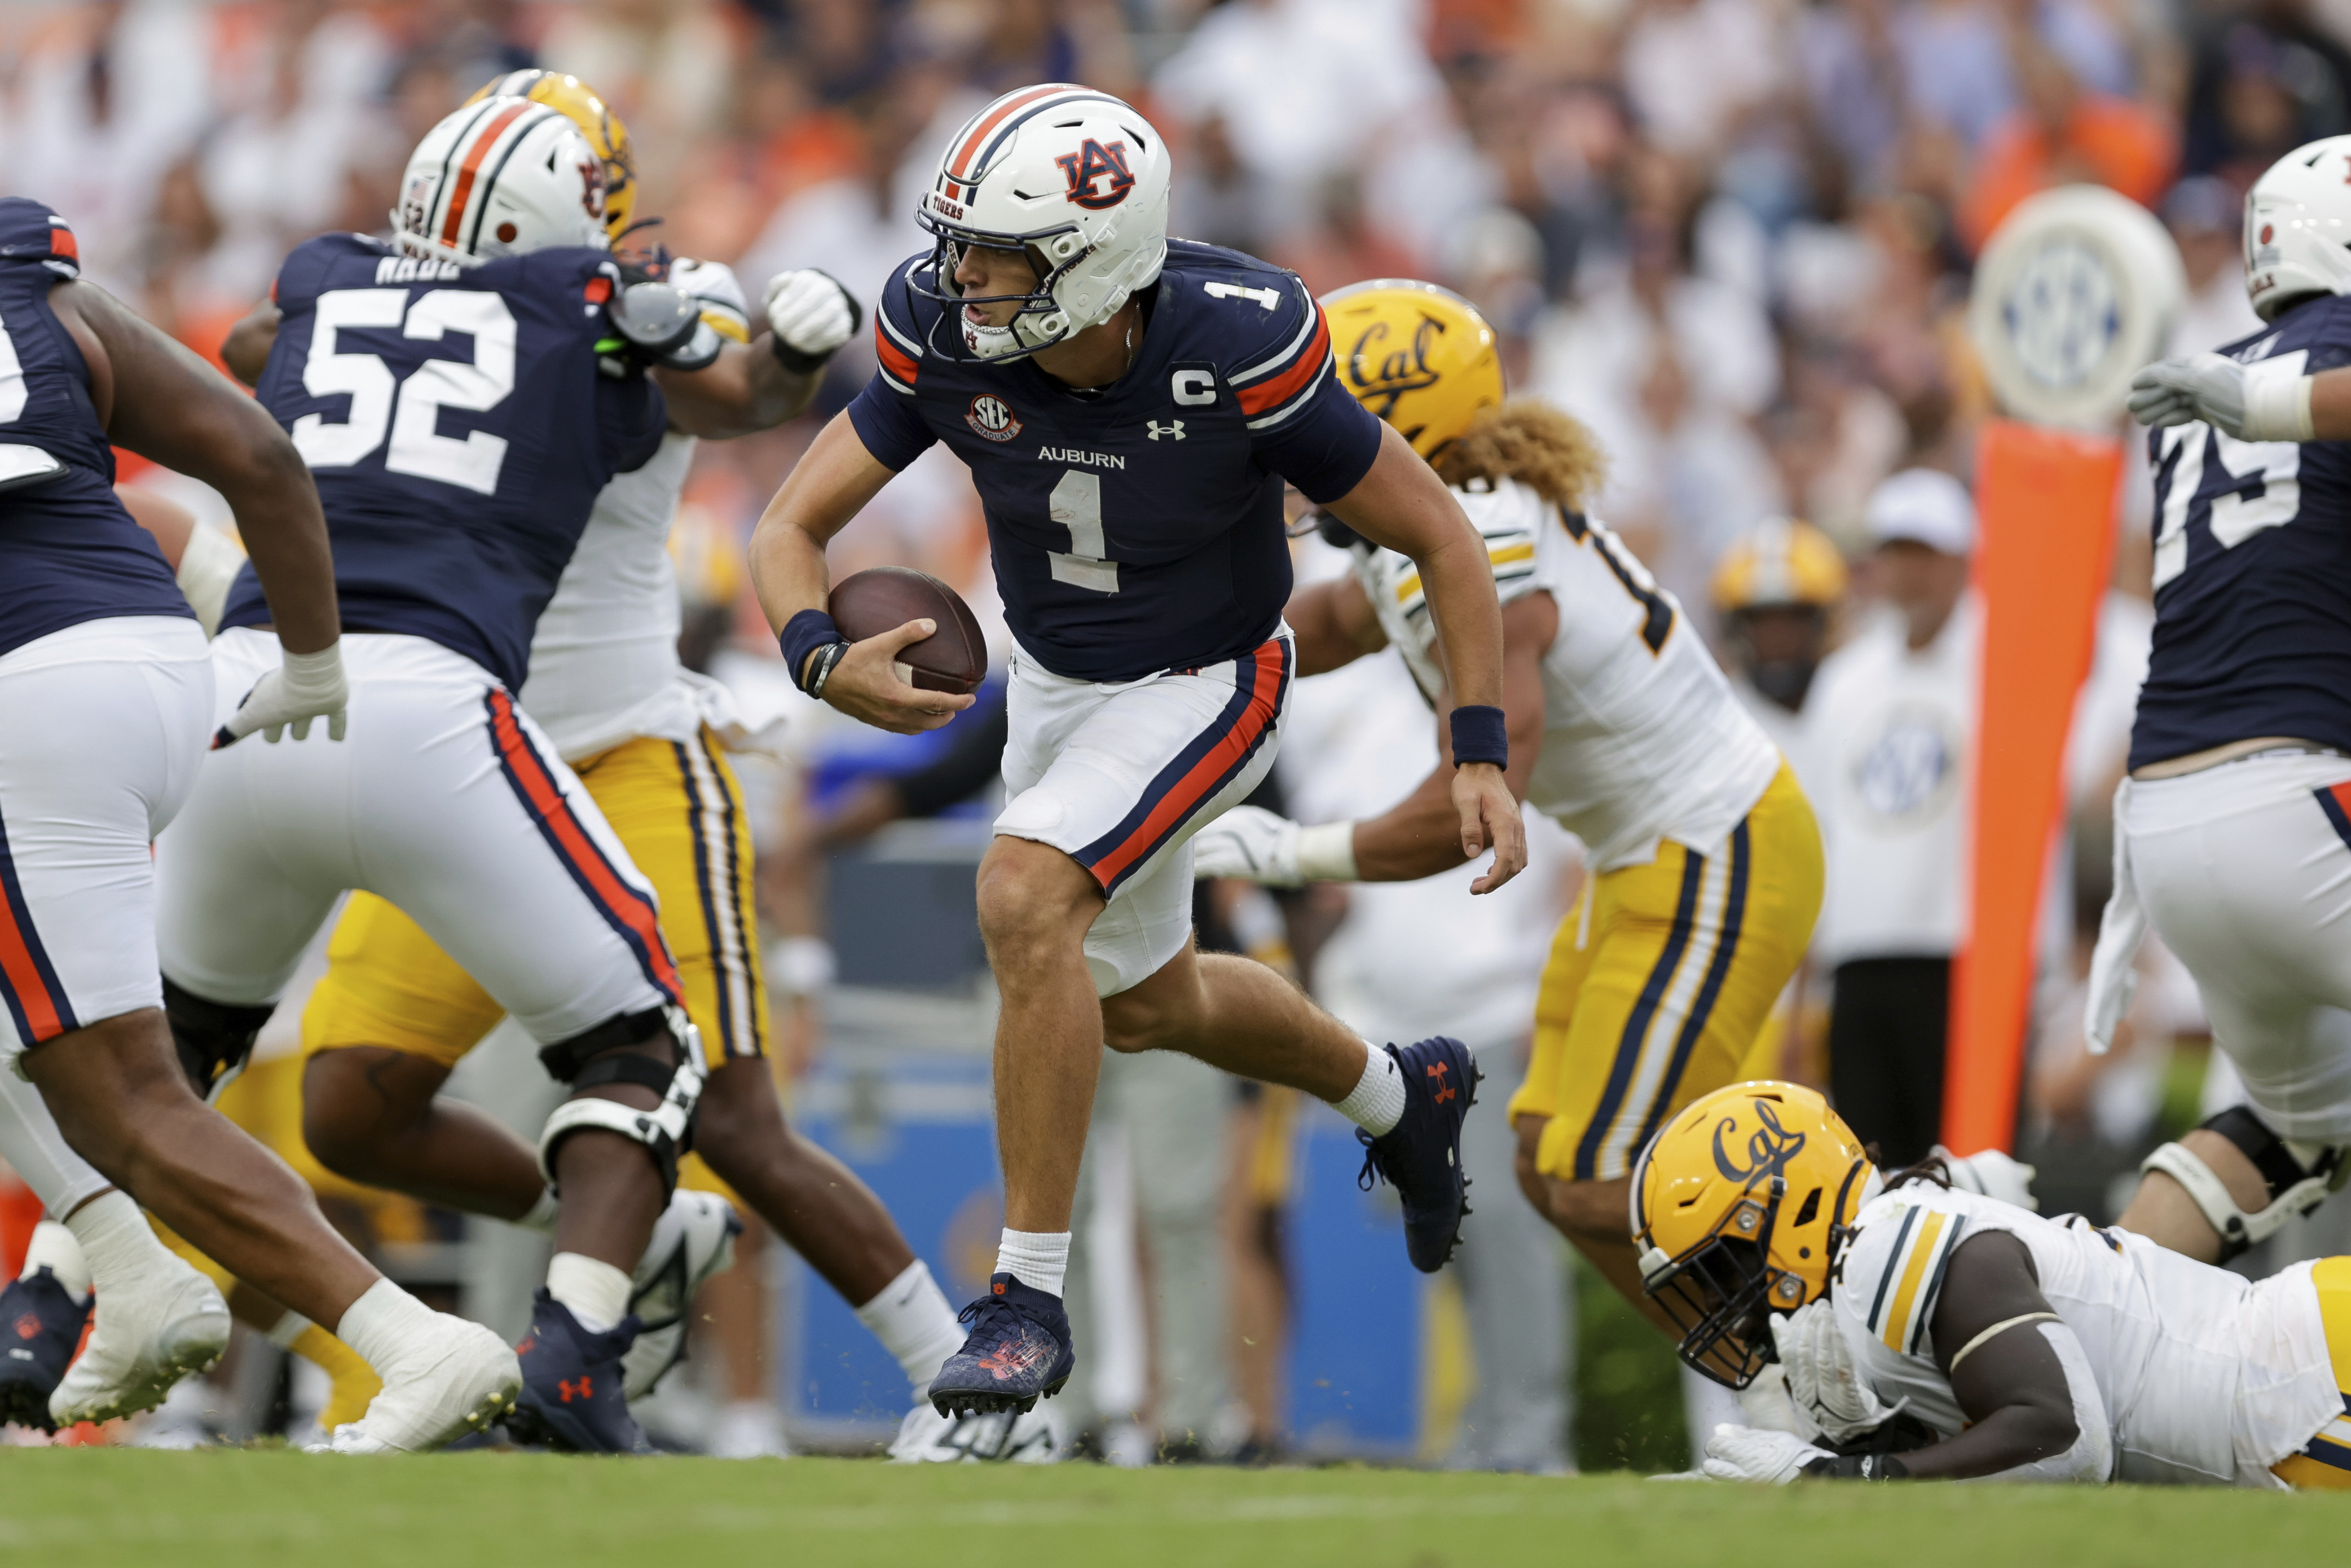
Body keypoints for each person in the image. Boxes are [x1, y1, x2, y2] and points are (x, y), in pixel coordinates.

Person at [208, 70, 1044, 1464]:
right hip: (457, 757)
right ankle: (647, 1236)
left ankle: (965, 1387)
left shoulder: (636, 301)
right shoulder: (383, 300)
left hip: (618, 750)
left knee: (732, 1113)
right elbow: (250, 347)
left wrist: (774, 343)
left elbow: (735, 391)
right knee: (349, 1103)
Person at [747, 86, 1522, 1419]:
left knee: (1020, 892)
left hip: (1210, 675)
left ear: (1094, 262)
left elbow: (1442, 537)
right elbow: (785, 527)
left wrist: (1478, 749)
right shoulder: (946, 331)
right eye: (961, 245)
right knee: (1143, 1002)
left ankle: (1022, 1301)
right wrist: (820, 653)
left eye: (996, 252)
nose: (961, 277)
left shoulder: (1239, 342)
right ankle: (1404, 1095)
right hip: (1054, 682)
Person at [122, 97, 721, 1455]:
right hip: (435, 712)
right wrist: (724, 323)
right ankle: (571, 1349)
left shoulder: (321, 280)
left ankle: (53, 1307)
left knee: (154, 1067)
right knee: (637, 1048)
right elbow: (740, 386)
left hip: (244, 700)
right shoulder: (582, 312)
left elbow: (247, 351)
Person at [1192, 280, 1821, 1332]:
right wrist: (1165, 644)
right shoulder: (1434, 531)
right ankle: (1771, 1382)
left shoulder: (1482, 538)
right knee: (1545, 1167)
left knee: (1595, 1172)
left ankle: (1833, 1368)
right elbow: (1333, 622)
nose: (1295, 446)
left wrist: (1290, 850)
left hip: (1719, 842)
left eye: (1313, 409)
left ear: (1394, 420)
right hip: (1647, 857)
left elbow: (1473, 807)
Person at [0, 195, 517, 1451]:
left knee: (131, 1096)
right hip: (165, 662)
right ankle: (129, 1270)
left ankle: (407, 1339)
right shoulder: (41, 293)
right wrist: (314, 660)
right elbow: (261, 456)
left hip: (30, 697)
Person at [2094, 134, 2351, 1269]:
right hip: (2294, 800)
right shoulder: (2274, 382)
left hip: (2166, 825)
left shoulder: (2201, 386)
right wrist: (2268, 399)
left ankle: (2077, 1344)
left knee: (2291, 1131)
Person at [1647, 1081, 2351, 1490]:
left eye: (1723, 1266)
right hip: (2296, 1379)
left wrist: (1844, 1476)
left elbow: (2064, 1435)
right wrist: (1870, 1446)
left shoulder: (1881, 1249)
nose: (1725, 1302)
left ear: (1784, 1207)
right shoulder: (1879, 1247)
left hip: (2303, 1388)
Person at [1802, 468, 1978, 1168]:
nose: (1907, 574)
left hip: (1962, 952)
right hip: (1860, 953)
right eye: (1895, 554)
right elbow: (1818, 828)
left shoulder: (2004, 656)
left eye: (1923, 554)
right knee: (1871, 1176)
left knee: (1966, 1167)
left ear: (1960, 560)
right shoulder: (1845, 677)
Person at [1709, 516, 1850, 774]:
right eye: (1761, 624)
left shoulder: (1857, 700)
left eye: (1792, 622)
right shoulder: (1719, 727)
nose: (1777, 639)